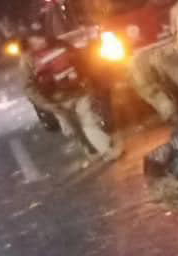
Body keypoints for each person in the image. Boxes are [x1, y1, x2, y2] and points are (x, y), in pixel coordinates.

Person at [18, 23, 116, 159]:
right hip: (57, 102)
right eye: (35, 39)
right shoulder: (27, 61)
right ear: (28, 42)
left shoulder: (60, 45)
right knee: (74, 130)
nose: (41, 41)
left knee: (90, 123)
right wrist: (47, 105)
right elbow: (29, 87)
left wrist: (90, 81)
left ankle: (108, 150)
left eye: (41, 37)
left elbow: (82, 61)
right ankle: (90, 148)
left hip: (79, 92)